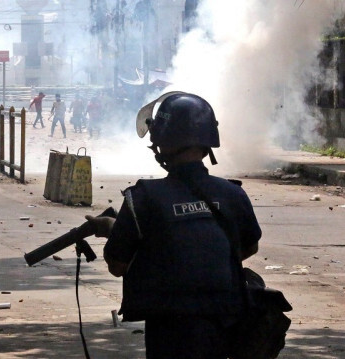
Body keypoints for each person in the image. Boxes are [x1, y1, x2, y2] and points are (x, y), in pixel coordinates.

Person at [84, 92, 262, 358]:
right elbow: (248, 246)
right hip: (227, 324)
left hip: (169, 330)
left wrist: (114, 230)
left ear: (161, 142)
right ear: (207, 142)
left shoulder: (142, 198)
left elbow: (117, 265)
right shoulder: (232, 194)